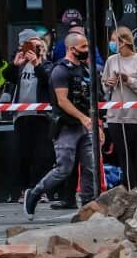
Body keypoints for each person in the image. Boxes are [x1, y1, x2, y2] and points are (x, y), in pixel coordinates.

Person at [24, 31, 102, 220]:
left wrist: (97, 124)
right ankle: (34, 194)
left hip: (84, 126)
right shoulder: (61, 70)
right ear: (71, 48)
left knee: (90, 166)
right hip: (66, 126)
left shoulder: (85, 70)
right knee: (64, 169)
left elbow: (90, 100)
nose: (86, 50)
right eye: (83, 47)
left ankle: (88, 206)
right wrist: (84, 119)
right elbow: (62, 101)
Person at [3, 30, 53, 204]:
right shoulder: (22, 64)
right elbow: (6, 77)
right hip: (22, 115)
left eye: (37, 46)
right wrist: (15, 65)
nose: (34, 49)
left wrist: (37, 63)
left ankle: (41, 190)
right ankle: (24, 190)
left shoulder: (47, 64)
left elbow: (48, 80)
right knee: (22, 155)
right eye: (30, 46)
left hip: (41, 116)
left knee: (42, 155)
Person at [103, 26, 137, 196]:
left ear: (123, 42)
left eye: (114, 40)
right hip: (116, 116)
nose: (112, 44)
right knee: (122, 154)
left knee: (136, 154)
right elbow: (104, 86)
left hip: (136, 116)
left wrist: (128, 80)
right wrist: (108, 83)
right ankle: (129, 189)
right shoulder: (111, 60)